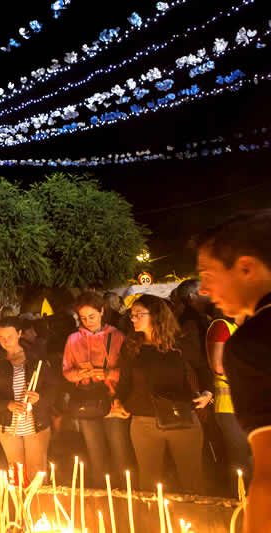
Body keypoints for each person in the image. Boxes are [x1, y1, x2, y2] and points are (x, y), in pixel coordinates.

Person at [194, 210, 271, 530]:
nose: (202, 290)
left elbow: (268, 476)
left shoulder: (252, 343)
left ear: (246, 268)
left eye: (208, 274)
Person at [114, 295, 211, 492]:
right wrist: (117, 400)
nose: (133, 319)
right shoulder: (132, 346)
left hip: (181, 417)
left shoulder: (180, 345)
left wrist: (208, 393)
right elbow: (124, 381)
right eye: (132, 315)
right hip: (143, 422)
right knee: (149, 482)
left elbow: (203, 369)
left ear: (156, 316)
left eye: (138, 314)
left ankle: (193, 519)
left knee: (191, 479)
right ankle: (153, 521)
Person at [62, 291, 131, 488]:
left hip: (113, 401)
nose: (88, 321)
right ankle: (102, 495)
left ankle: (124, 495)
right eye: (83, 318)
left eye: (92, 316)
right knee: (95, 453)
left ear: (102, 311)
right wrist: (80, 374)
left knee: (120, 453)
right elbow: (66, 371)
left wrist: (107, 373)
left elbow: (128, 372)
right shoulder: (73, 339)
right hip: (87, 401)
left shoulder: (117, 337)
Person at [0, 317, 54, 481]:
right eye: (1, 338)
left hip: (35, 422)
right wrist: (7, 404)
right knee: (16, 473)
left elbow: (53, 388)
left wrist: (39, 398)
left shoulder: (35, 358)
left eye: (10, 336)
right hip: (8, 423)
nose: (5, 341)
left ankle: (37, 506)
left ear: (19, 333)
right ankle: (18, 505)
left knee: (37, 474)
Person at [206, 312, 252, 491]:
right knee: (240, 461)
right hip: (230, 407)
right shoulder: (222, 326)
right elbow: (218, 366)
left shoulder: (243, 328)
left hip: (247, 405)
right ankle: (239, 504)